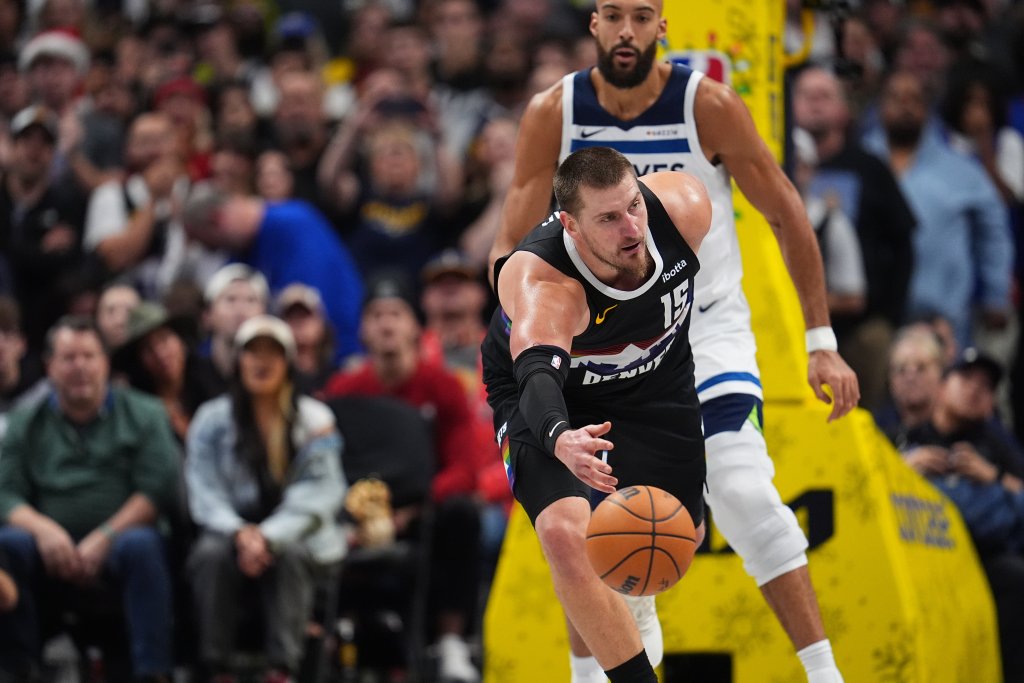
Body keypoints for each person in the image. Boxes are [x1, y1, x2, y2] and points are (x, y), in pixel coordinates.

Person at [486, 3, 858, 681]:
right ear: (593, 23)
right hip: (589, 334)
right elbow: (509, 242)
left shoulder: (705, 109)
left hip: (698, 320)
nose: (627, 30)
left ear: (663, 26)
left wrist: (821, 338)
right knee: (575, 521)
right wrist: (535, 318)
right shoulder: (553, 112)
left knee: (739, 492)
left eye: (642, 15)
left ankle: (824, 671)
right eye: (614, 15)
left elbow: (784, 211)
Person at [481, 147, 710, 683]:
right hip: (550, 395)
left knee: (680, 536)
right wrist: (559, 436)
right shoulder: (544, 283)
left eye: (633, 205)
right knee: (566, 534)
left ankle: (634, 602)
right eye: (608, 219)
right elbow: (537, 377)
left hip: (656, 379)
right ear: (571, 225)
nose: (631, 228)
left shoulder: (685, 207)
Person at [322, 275, 489, 682]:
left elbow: (463, 469)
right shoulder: (343, 389)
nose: (386, 324)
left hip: (424, 509)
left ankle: (450, 641)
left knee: (463, 514)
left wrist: (414, 507)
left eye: (395, 314)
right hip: (358, 513)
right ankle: (332, 634)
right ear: (363, 329)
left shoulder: (443, 387)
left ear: (415, 327)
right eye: (376, 315)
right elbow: (329, 464)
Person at [0, 316, 179, 682]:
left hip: (122, 538)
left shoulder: (146, 413)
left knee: (142, 545)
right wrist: (44, 530)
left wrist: (105, 536)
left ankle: (153, 672)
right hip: (48, 544)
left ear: (105, 363)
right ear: (49, 367)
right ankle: (19, 670)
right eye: (68, 358)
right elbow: (4, 492)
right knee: (8, 544)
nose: (79, 366)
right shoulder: (23, 421)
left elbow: (156, 489)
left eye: (88, 356)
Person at [185, 315, 346, 683]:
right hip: (229, 531)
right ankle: (218, 670)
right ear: (238, 361)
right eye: (252, 352)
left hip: (296, 533)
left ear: (288, 362)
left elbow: (321, 492)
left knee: (291, 554)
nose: (262, 362)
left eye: (272, 353)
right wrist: (240, 532)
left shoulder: (316, 419)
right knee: (210, 555)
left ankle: (282, 671)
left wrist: (269, 536)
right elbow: (203, 488)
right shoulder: (210, 419)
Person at [791, 65, 916, 411]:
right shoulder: (772, 166)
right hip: (792, 324)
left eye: (825, 96)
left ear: (844, 109)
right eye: (807, 95)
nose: (815, 103)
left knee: (865, 410)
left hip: (861, 324)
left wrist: (890, 316)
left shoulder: (869, 167)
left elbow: (904, 243)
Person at [862, 69, 1013, 350]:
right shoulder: (859, 165)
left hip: (941, 319)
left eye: (914, 99)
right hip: (868, 322)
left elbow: (993, 232)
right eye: (896, 98)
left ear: (927, 109)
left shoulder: (961, 169)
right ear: (880, 106)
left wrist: (996, 295)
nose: (905, 106)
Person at [899, 348, 1024, 682]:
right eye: (967, 378)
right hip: (917, 554)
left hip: (980, 557)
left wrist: (993, 477)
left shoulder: (999, 447)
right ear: (941, 386)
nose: (975, 389)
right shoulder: (907, 436)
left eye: (986, 386)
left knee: (1015, 577)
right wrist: (902, 469)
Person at [182, 187, 364, 363]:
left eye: (207, 243)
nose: (211, 251)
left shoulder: (293, 224)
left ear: (217, 219)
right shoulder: (239, 252)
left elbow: (316, 309)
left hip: (339, 357)